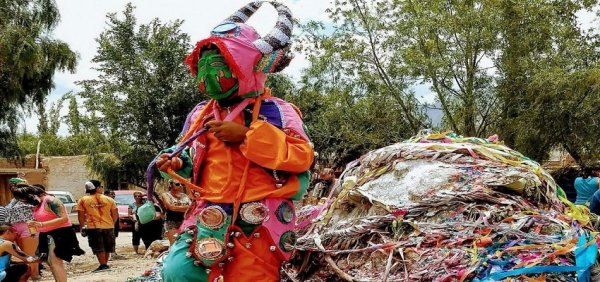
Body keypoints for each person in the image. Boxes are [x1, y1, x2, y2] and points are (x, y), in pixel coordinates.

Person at [152, 2, 314, 281]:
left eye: (219, 66)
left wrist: (247, 135)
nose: (208, 76)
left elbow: (302, 157)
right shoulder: (200, 113)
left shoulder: (278, 111)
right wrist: (177, 161)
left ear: (248, 67)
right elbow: (193, 156)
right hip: (208, 214)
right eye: (202, 68)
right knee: (178, 272)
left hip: (258, 217)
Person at [12, 185, 83, 282]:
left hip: (60, 233)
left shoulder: (51, 201)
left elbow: (64, 218)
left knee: (55, 262)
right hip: (46, 234)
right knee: (50, 262)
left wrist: (41, 224)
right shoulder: (37, 204)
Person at [76, 180, 118, 272]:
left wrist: (82, 227)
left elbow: (81, 216)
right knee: (107, 247)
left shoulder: (83, 200)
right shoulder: (109, 200)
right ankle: (105, 265)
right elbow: (115, 215)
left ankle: (103, 265)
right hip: (108, 226)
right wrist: (112, 224)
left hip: (93, 227)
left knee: (98, 247)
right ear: (98, 188)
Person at [6, 182, 39, 280]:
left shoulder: (33, 200)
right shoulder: (14, 200)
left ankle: (34, 276)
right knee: (25, 255)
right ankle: (31, 276)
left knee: (30, 255)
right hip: (15, 229)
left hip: (28, 228)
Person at [159, 180, 190, 244]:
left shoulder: (185, 196)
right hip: (171, 221)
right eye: (178, 184)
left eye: (182, 184)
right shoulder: (166, 195)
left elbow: (192, 207)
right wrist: (185, 208)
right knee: (174, 243)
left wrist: (176, 207)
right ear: (171, 185)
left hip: (185, 221)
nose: (181, 186)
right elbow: (171, 207)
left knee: (185, 242)